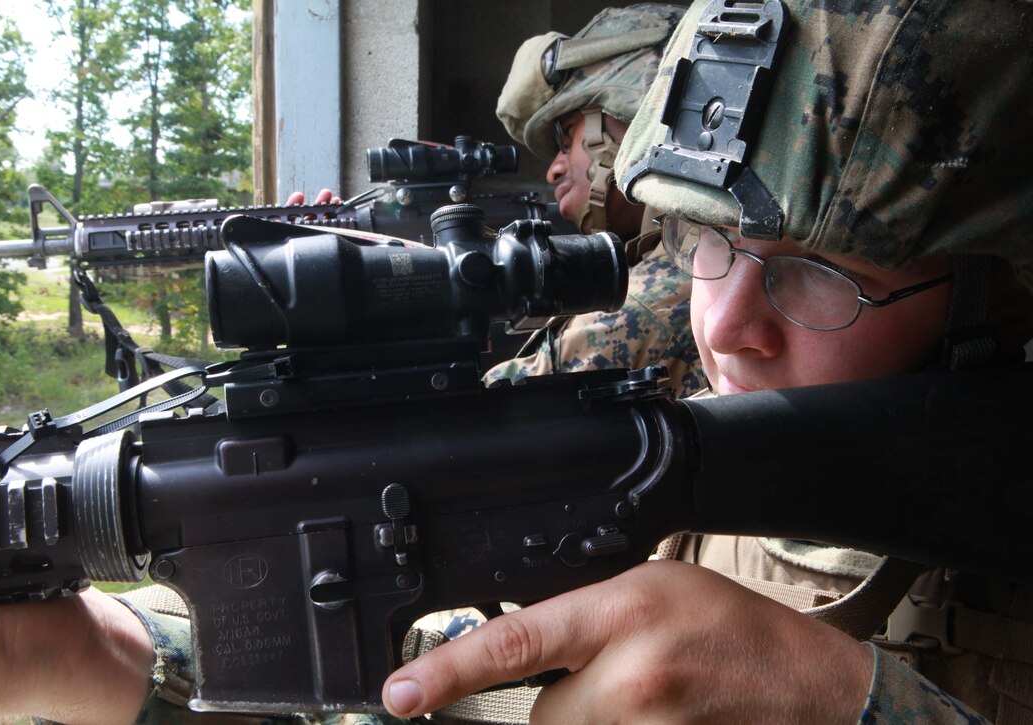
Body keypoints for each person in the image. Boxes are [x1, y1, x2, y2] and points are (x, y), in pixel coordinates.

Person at [379, 0, 1033, 722]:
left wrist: (846, 700)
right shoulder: (684, 482)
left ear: (1000, 292)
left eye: (823, 273)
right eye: (702, 233)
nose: (721, 325)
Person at [484, 3, 704, 397]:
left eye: (567, 138)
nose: (553, 170)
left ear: (638, 111)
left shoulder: (655, 300)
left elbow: (484, 416)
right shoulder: (694, 249)